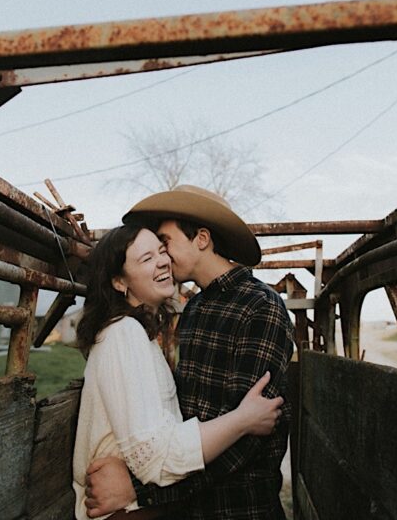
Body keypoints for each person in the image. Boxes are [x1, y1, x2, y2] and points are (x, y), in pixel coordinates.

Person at [84, 185, 294, 519]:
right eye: (151, 254)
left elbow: (250, 434)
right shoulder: (194, 308)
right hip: (187, 506)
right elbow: (186, 415)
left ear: (201, 238)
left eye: (164, 244)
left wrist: (142, 493)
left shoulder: (260, 306)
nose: (164, 257)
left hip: (239, 507)